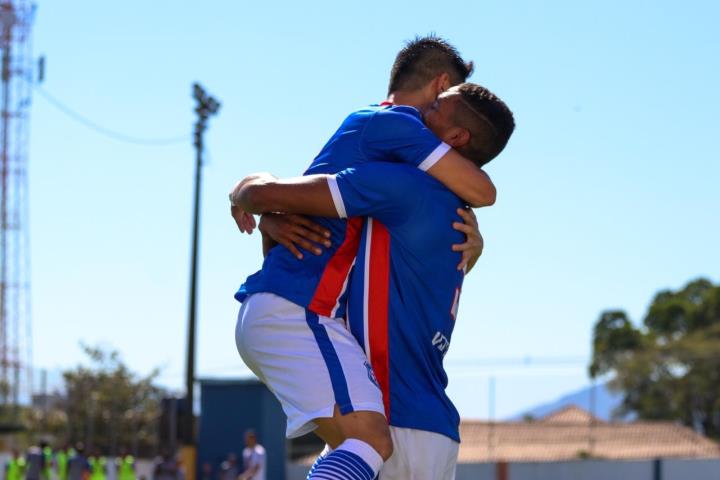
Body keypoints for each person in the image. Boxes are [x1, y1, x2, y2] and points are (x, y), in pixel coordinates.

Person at [232, 37, 494, 480]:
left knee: (360, 448)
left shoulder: (376, 143)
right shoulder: (394, 124)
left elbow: (285, 203)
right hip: (301, 310)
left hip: (295, 306)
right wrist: (247, 195)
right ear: (442, 85)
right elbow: (484, 190)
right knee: (371, 440)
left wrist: (261, 208)